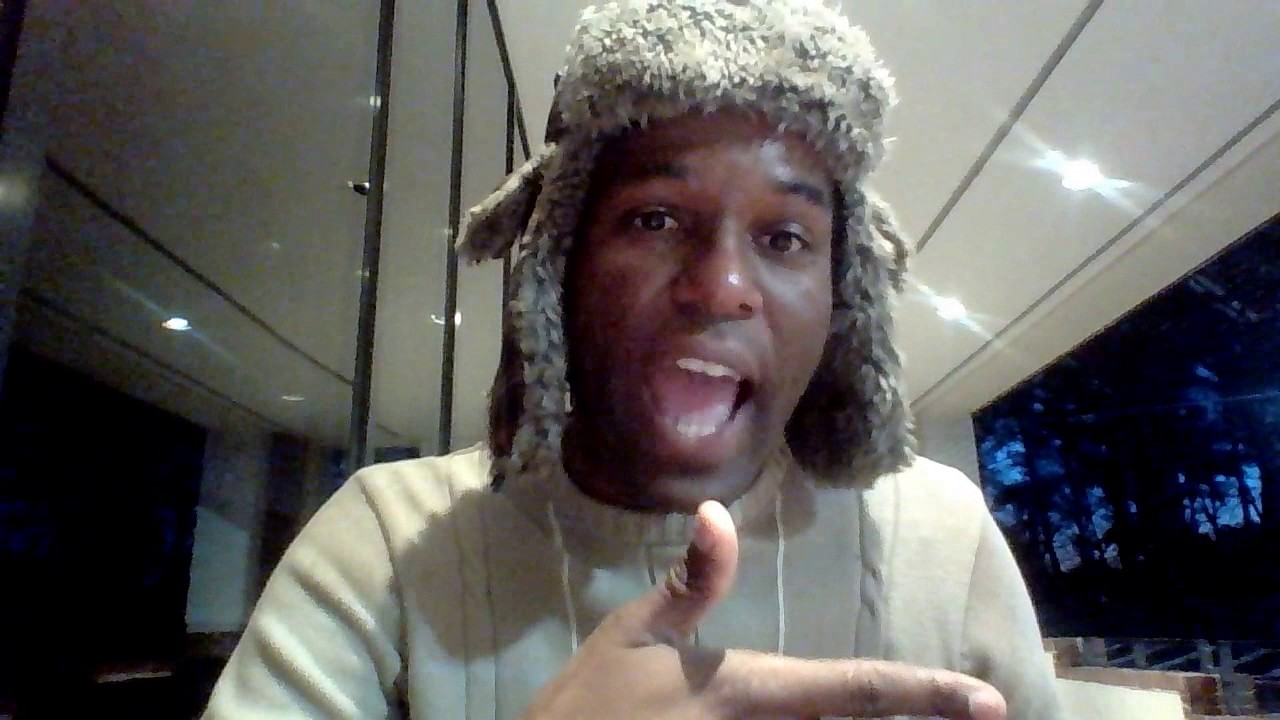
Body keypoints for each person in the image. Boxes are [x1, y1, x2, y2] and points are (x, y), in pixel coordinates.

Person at [204, 1, 1065, 718]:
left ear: (844, 293)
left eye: (784, 237)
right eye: (655, 219)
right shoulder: (388, 545)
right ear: (561, 264)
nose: (722, 287)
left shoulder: (941, 543)